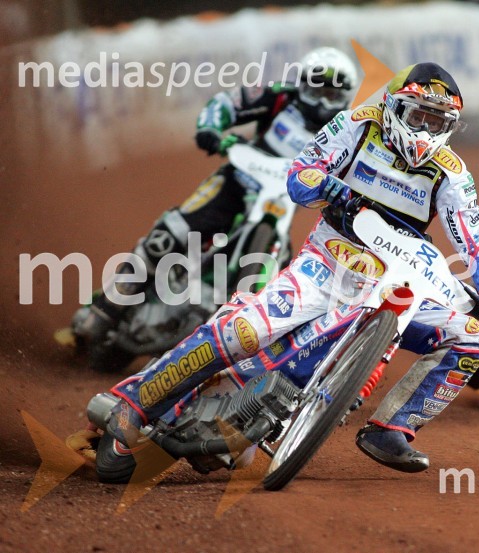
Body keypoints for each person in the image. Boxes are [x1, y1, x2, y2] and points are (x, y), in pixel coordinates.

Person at [103, 62, 479, 473]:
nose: (427, 131)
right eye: (419, 116)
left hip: (398, 279)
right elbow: (300, 174)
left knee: (471, 340)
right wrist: (329, 187)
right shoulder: (356, 124)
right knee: (241, 332)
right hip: (326, 265)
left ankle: (391, 427)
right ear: (394, 107)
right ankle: (136, 403)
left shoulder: (451, 173)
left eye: (438, 121)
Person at [72, 47, 358, 345]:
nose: (324, 101)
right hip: (236, 181)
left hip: (281, 206)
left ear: (347, 97)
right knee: (169, 235)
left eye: (333, 95)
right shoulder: (279, 97)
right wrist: (211, 128)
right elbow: (227, 102)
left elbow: (359, 172)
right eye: (317, 91)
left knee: (280, 274)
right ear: (301, 85)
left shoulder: (347, 130)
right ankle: (106, 310)